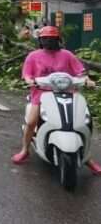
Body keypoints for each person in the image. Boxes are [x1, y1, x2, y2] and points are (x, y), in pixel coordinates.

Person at [12, 26, 101, 175]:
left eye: (52, 39)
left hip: (68, 93)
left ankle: (87, 158)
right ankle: (25, 149)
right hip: (41, 94)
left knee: (84, 122)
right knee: (31, 121)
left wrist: (87, 80)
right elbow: (27, 74)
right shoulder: (33, 56)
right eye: (45, 39)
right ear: (40, 41)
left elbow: (80, 72)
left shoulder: (67, 55)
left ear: (58, 40)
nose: (49, 42)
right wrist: (29, 81)